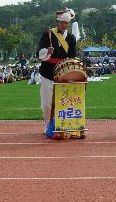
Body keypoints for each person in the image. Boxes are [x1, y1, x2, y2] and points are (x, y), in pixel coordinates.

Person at [37, 7, 77, 135]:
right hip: (48, 72)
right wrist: (47, 52)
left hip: (63, 73)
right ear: (57, 22)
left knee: (64, 100)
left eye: (66, 23)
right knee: (47, 102)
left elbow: (72, 56)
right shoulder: (47, 34)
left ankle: (62, 124)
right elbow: (39, 52)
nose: (64, 25)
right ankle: (48, 125)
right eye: (61, 23)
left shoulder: (71, 38)